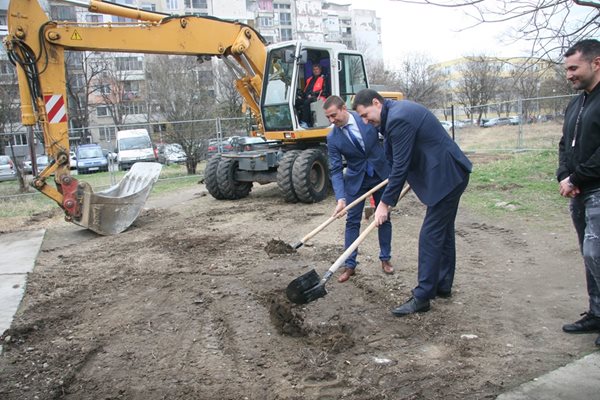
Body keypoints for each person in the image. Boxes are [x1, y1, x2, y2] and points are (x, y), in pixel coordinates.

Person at [352, 89, 472, 317]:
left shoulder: (398, 118)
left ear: (376, 103)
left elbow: (401, 164)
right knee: (442, 233)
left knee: (430, 235)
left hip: (446, 176)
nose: (366, 122)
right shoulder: (393, 115)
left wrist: (385, 204)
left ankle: (422, 297)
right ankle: (442, 286)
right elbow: (396, 160)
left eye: (366, 115)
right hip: (448, 173)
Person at [557, 39, 600, 348]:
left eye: (574, 68)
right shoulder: (576, 102)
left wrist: (576, 176)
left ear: (596, 63)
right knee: (590, 256)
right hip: (578, 192)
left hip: (597, 188)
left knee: (595, 253)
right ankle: (596, 313)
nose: (569, 74)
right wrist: (563, 175)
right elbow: (564, 144)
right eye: (567, 69)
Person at [323, 95, 395, 283]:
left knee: (384, 217)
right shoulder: (332, 137)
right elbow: (336, 169)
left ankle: (385, 258)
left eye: (333, 115)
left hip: (380, 173)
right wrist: (341, 198)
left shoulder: (366, 117)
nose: (332, 120)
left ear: (343, 108)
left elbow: (388, 138)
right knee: (352, 221)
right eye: (328, 118)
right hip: (356, 180)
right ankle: (350, 265)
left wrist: (394, 167)